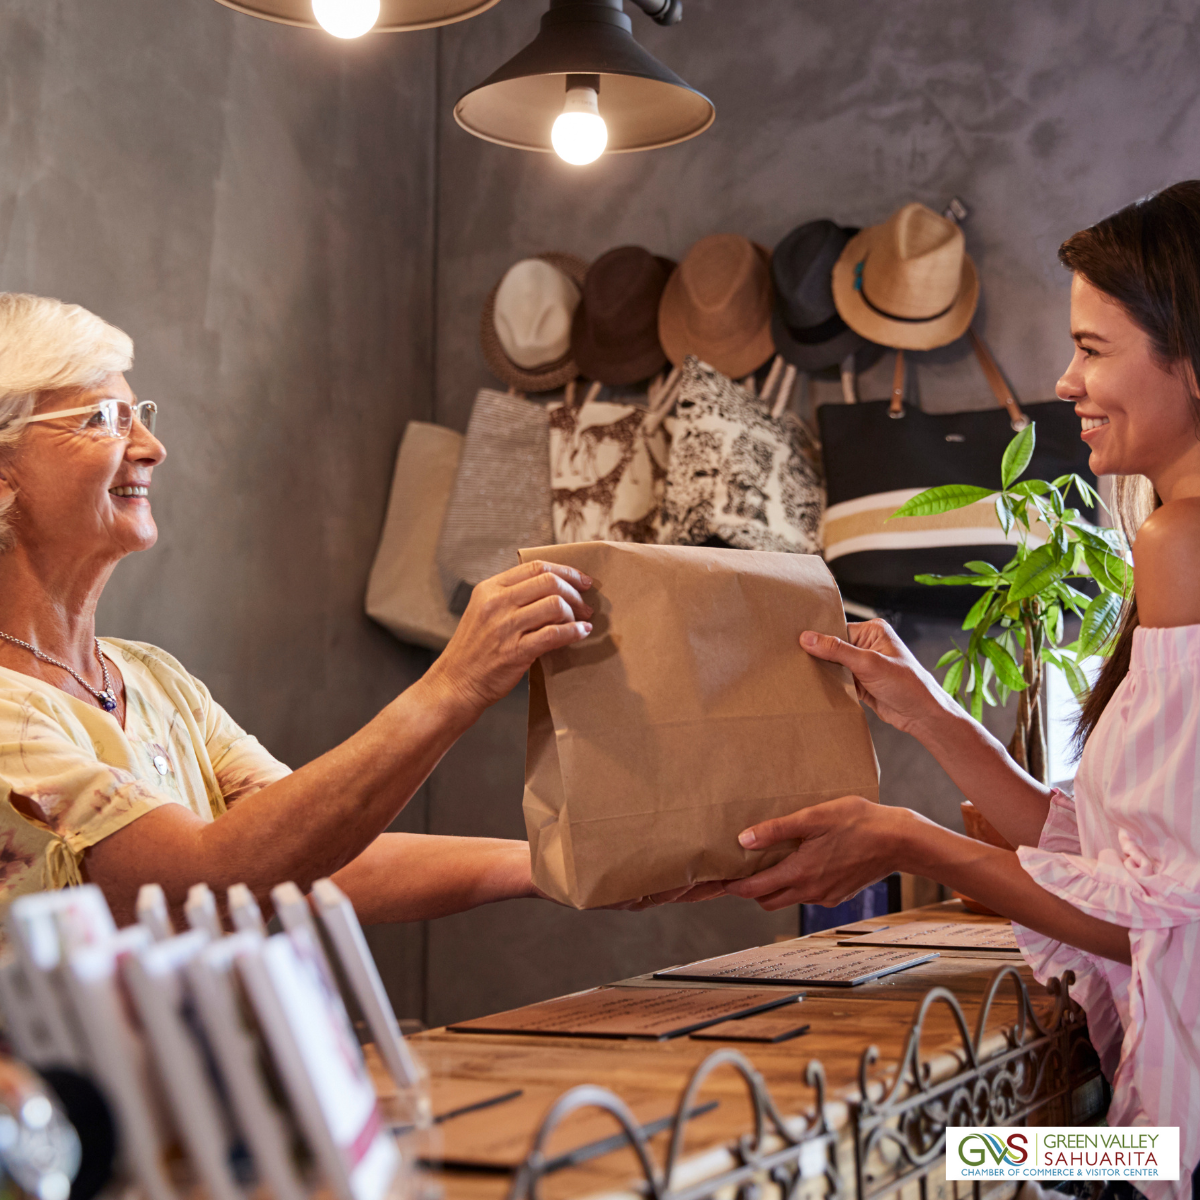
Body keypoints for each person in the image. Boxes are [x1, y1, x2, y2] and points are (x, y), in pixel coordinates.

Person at [727, 181, 1200, 1196]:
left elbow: (1156, 918)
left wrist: (906, 839)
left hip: (1172, 1152)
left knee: (908, 1158)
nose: (1065, 381)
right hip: (1160, 1129)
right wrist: (932, 716)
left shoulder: (1182, 542)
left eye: (1095, 348)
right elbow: (1126, 862)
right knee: (930, 1153)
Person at [0, 292, 703, 936]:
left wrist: (555, 862)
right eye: (101, 419)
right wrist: (453, 685)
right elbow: (200, 885)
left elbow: (306, 861)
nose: (151, 448)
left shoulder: (154, 680)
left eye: (139, 416)